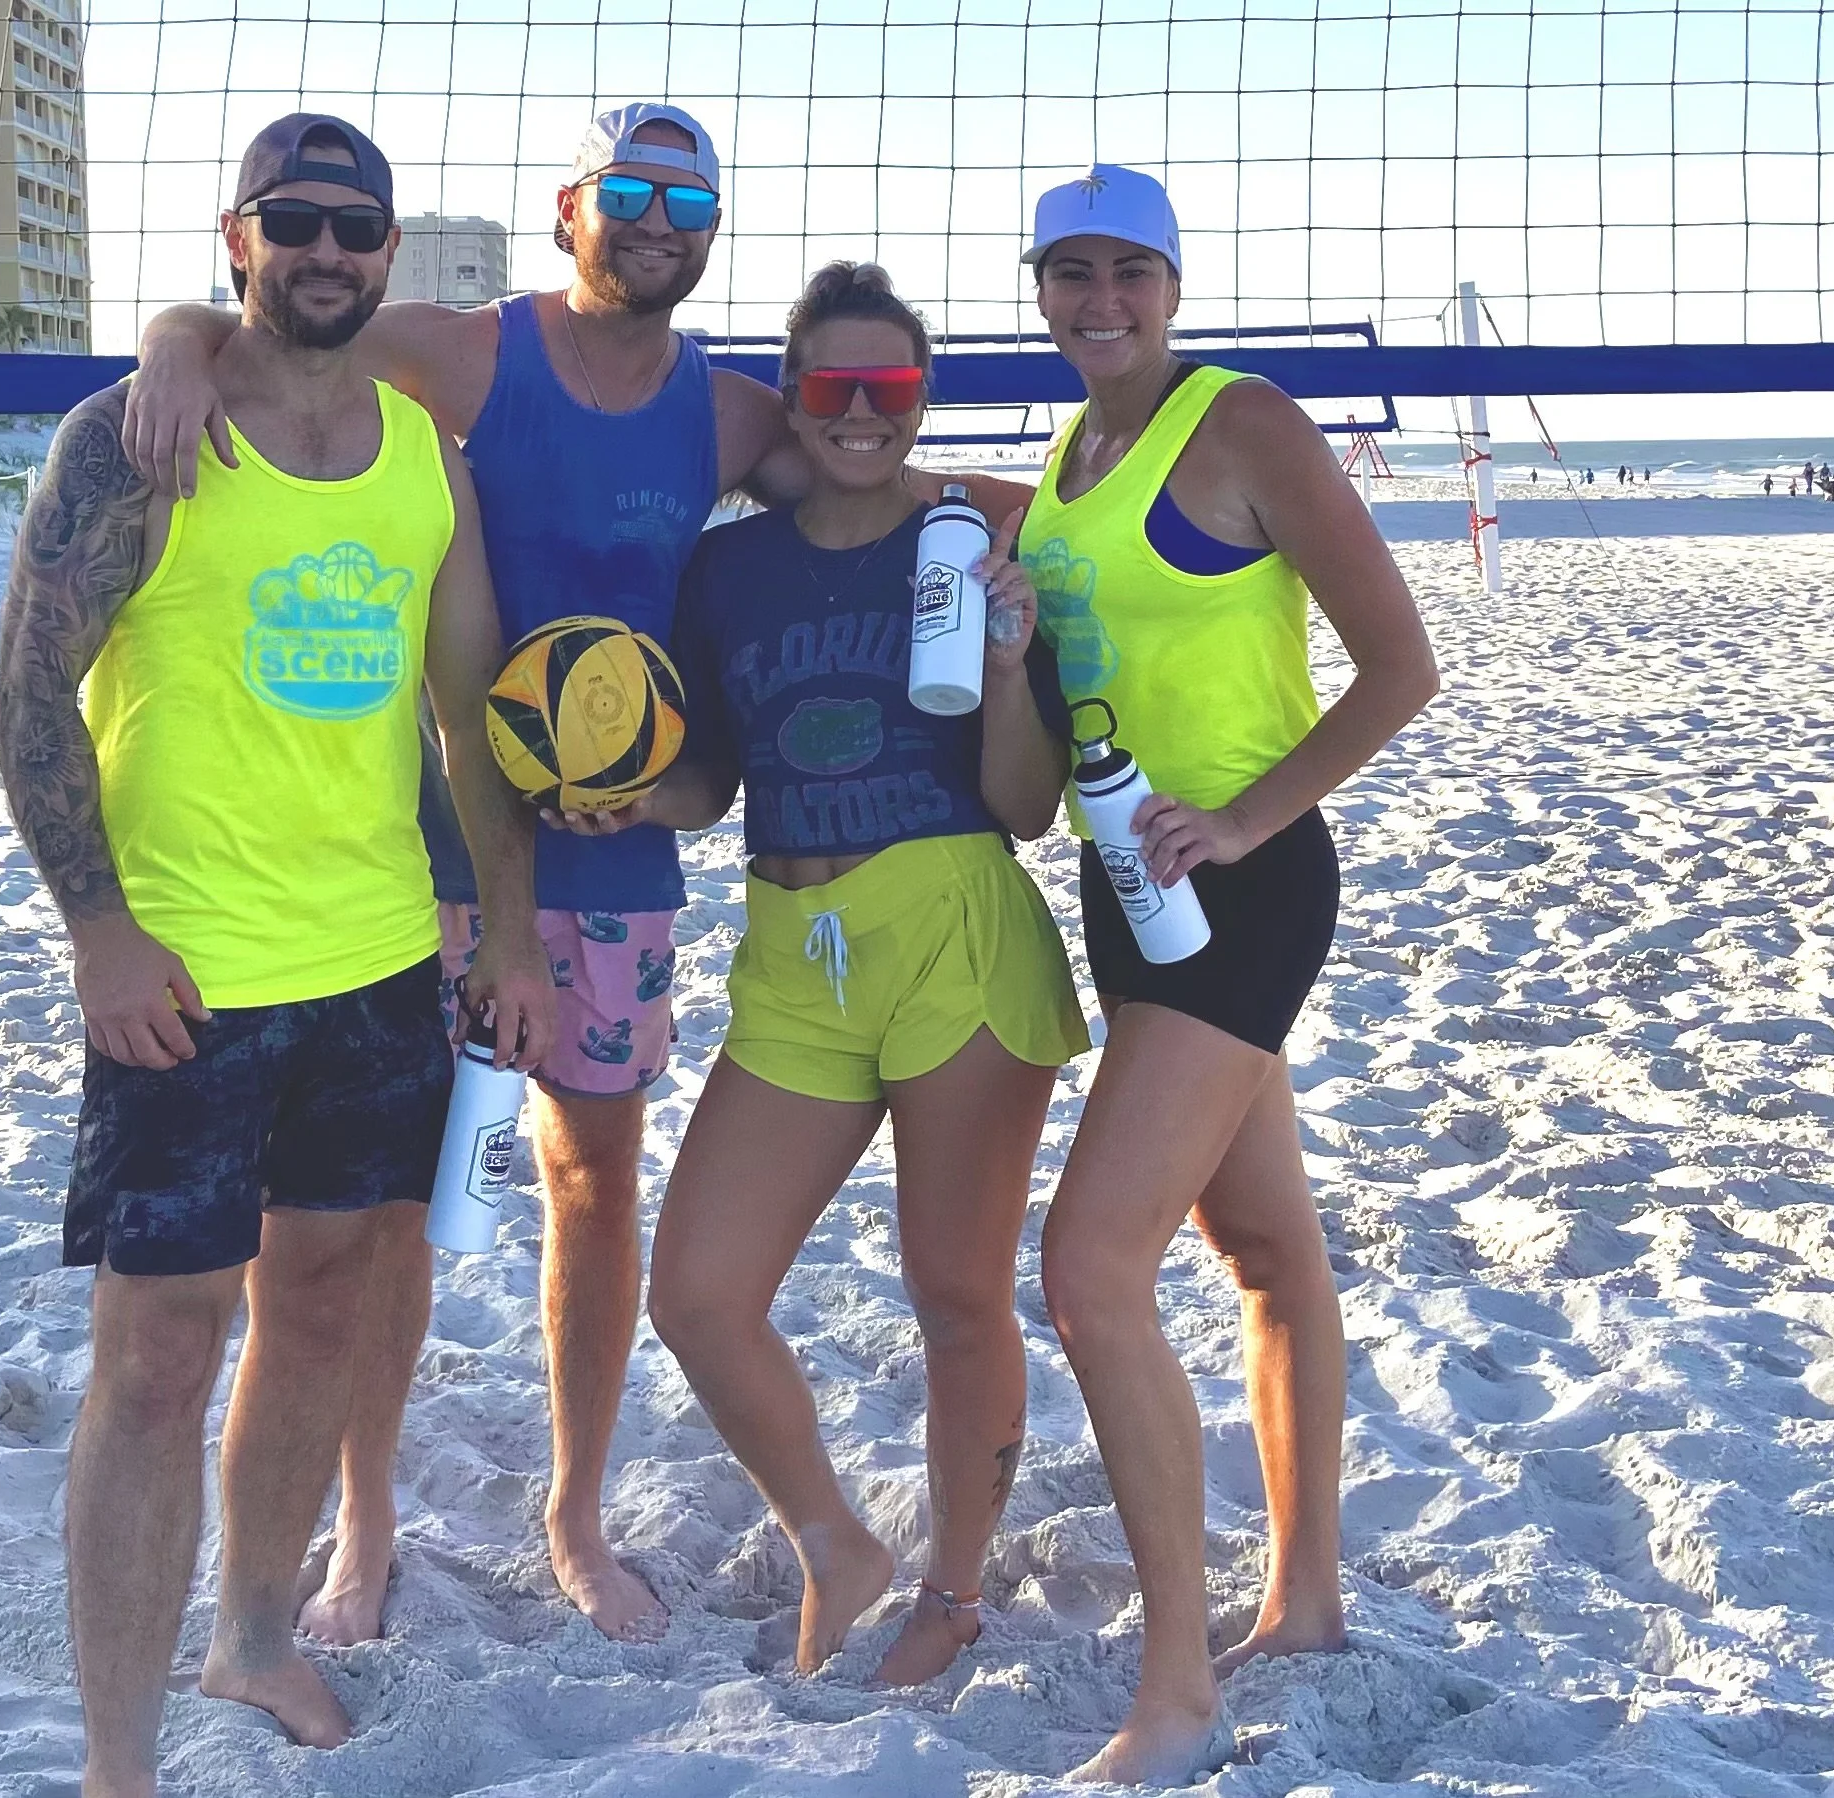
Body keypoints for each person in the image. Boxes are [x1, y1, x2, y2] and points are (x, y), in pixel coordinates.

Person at [118, 104, 828, 1645]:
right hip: (422, 851)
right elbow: (279, 334)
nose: (656, 218)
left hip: (619, 853)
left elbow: (873, 477)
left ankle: (574, 1511)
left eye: (686, 197)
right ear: (571, 206)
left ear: (711, 226)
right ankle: (364, 1524)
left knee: (592, 1185)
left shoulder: (727, 414)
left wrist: (1039, 531)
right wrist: (174, 337)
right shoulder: (471, 352)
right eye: (628, 190)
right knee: (375, 1209)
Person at [0, 115, 553, 1796]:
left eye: (354, 227)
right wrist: (98, 931)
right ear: (237, 238)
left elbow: (473, 722)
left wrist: (508, 931)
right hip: (186, 973)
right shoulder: (137, 433)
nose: (325, 251)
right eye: (292, 222)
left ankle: (250, 1632)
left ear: (387, 256)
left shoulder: (417, 454)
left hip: (379, 964)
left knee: (320, 1308)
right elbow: (26, 696)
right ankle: (117, 1763)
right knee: (155, 1359)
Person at [589, 263, 1090, 1687]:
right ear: (794, 396)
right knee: (695, 1287)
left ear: (922, 399)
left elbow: (1025, 804)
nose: (862, 413)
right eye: (833, 387)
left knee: (955, 1289)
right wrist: (624, 792)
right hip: (795, 947)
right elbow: (708, 782)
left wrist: (1007, 652)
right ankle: (833, 1537)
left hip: (953, 926)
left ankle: (951, 1590)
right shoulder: (728, 565)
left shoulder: (970, 537)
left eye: (893, 388)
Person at [1007, 166, 1439, 1786]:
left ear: (1175, 286)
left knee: (1090, 1266)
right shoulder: (1063, 459)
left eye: (1129, 271)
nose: (1098, 298)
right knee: (1262, 1243)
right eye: (1070, 273)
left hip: (1244, 887)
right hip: (1130, 889)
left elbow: (1402, 666)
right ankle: (1308, 1596)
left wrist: (1248, 816)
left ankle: (1177, 1687)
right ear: (1038, 289)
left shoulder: (1243, 422)